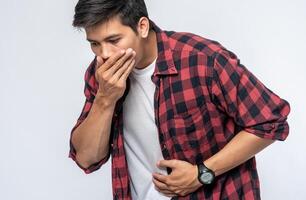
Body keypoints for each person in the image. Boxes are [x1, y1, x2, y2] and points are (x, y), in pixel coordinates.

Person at [68, 0, 290, 199]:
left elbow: (269, 122)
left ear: (142, 27)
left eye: (113, 40)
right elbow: (86, 159)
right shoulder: (101, 75)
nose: (104, 53)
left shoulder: (203, 60)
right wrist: (105, 99)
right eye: (94, 43)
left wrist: (202, 173)